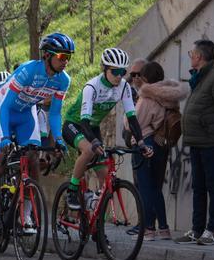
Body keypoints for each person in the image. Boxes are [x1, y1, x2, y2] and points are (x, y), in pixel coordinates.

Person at [0, 32, 74, 237]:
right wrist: (3, 137)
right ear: (47, 55)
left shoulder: (63, 80)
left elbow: (55, 113)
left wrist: (58, 139)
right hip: (2, 109)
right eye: (62, 57)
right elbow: (4, 105)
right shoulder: (29, 70)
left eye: (68, 57)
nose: (66, 62)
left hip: (25, 113)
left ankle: (26, 214)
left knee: (32, 160)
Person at [62, 48, 151, 211]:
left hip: (93, 127)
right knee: (89, 151)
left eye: (123, 72)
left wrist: (141, 142)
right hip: (75, 125)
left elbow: (132, 118)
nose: (119, 76)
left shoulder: (123, 87)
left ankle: (97, 227)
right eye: (115, 71)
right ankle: (72, 190)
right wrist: (94, 142)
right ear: (105, 69)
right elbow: (84, 121)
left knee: (105, 178)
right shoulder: (92, 87)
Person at [175, 39, 214, 245]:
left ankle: (211, 230)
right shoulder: (201, 77)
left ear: (199, 56)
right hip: (198, 141)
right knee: (199, 187)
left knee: (213, 187)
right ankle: (197, 229)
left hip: (212, 142)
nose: (190, 56)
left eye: (191, 53)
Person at [132, 61, 188, 240]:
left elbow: (133, 122)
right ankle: (163, 228)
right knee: (156, 187)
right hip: (163, 144)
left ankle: (148, 229)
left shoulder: (147, 96)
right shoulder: (171, 97)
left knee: (145, 187)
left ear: (145, 78)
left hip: (145, 142)